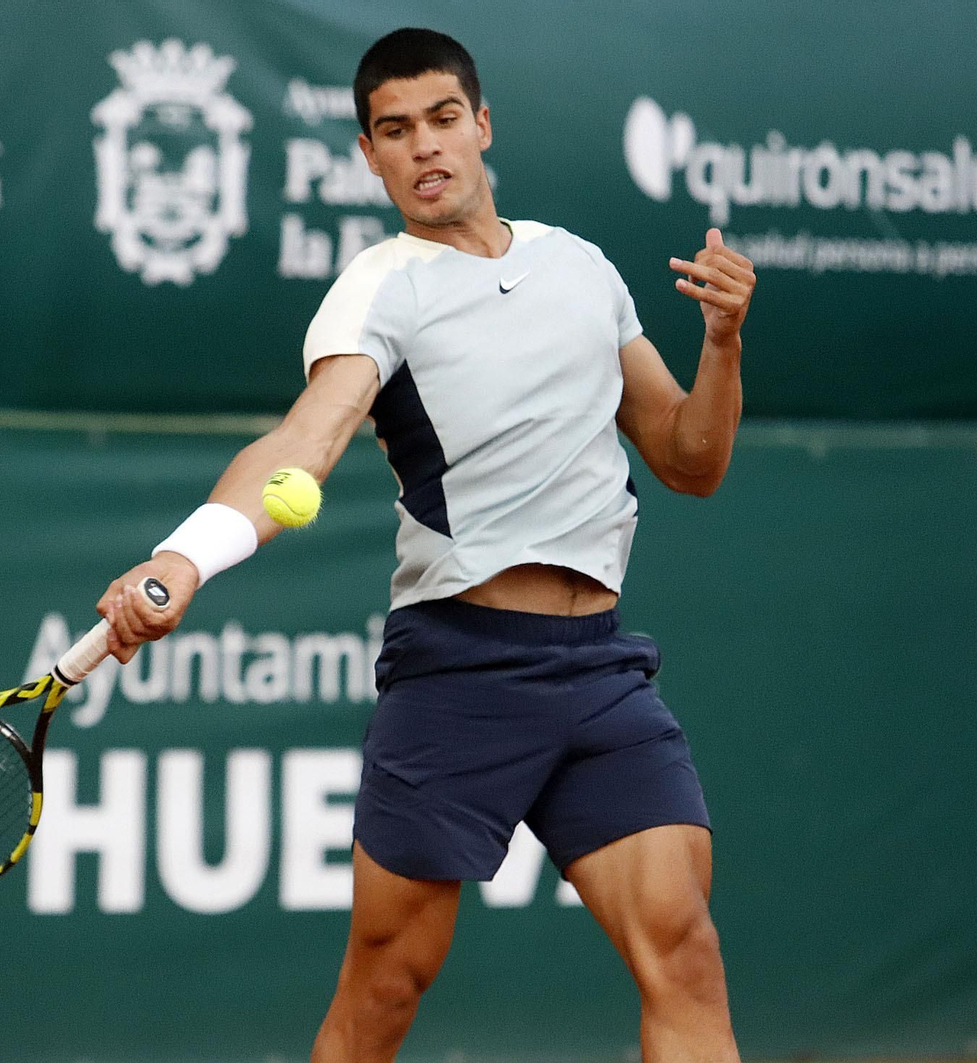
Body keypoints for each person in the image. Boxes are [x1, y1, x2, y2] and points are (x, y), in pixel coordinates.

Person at [94, 27, 755, 1063]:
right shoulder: (380, 287)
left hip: (601, 674)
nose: (424, 147)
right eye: (395, 131)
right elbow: (301, 446)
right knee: (386, 990)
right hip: (460, 675)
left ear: (482, 126)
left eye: (443, 120)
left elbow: (689, 457)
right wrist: (184, 556)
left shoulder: (580, 267)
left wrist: (721, 346)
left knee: (685, 952)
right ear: (369, 154)